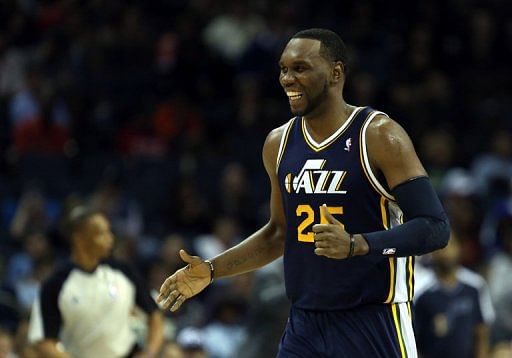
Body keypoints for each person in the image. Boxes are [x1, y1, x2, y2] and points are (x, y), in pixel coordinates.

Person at [158, 28, 450, 357]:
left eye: (300, 68)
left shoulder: (379, 136)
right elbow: (280, 234)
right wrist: (212, 270)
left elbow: (435, 227)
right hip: (304, 325)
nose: (287, 79)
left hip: (373, 319)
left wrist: (358, 244)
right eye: (283, 69)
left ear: (336, 72)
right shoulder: (278, 144)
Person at [28, 208, 164, 357]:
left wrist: (149, 353)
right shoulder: (54, 285)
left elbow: (155, 316)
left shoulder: (123, 272)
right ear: (79, 239)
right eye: (102, 234)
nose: (110, 239)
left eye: (109, 232)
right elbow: (44, 342)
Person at [414, 235, 494, 358]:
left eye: (450, 245)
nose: (445, 251)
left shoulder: (475, 285)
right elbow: (414, 339)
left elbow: (481, 333)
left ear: (459, 248)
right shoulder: (421, 292)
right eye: (440, 246)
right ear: (432, 252)